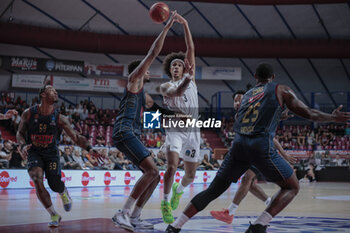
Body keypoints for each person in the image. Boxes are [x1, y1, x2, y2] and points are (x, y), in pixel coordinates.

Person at [165, 63, 350, 233]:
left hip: (238, 145)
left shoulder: (247, 95)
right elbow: (308, 113)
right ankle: (259, 224)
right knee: (292, 186)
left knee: (213, 190)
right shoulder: (281, 89)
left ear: (255, 76)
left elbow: (240, 119)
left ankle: (175, 226)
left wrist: (276, 116)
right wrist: (332, 117)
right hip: (260, 145)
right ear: (273, 76)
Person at [111, 11, 177, 232]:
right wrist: (166, 28)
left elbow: (156, 110)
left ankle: (136, 216)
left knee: (155, 176)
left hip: (131, 132)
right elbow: (152, 52)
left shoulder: (141, 94)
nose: (150, 71)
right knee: (151, 172)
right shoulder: (134, 79)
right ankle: (123, 213)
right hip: (124, 131)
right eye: (147, 69)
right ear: (139, 71)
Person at [16, 84, 97, 227]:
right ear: (43, 94)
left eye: (56, 91)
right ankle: (54, 214)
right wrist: (22, 145)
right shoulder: (28, 113)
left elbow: (76, 138)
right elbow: (20, 133)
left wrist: (90, 149)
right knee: (36, 178)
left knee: (54, 184)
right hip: (34, 151)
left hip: (51, 153)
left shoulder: (60, 118)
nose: (55, 92)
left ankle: (63, 191)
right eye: (51, 90)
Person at [210, 90, 297, 224]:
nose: (238, 102)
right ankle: (269, 202)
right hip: (252, 152)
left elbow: (271, 137)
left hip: (261, 152)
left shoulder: (251, 112)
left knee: (247, 179)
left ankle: (230, 213)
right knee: (249, 184)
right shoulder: (242, 114)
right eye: (235, 100)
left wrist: (284, 154)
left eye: (240, 99)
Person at [159, 13, 199, 224]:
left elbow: (191, 48)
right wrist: (188, 78)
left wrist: (185, 24)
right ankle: (165, 203)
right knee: (172, 167)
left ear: (184, 67)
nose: (175, 66)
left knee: (190, 175)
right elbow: (176, 93)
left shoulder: (190, 79)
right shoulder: (166, 86)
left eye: (179, 64)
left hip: (193, 130)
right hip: (175, 128)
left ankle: (178, 190)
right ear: (170, 69)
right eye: (172, 65)